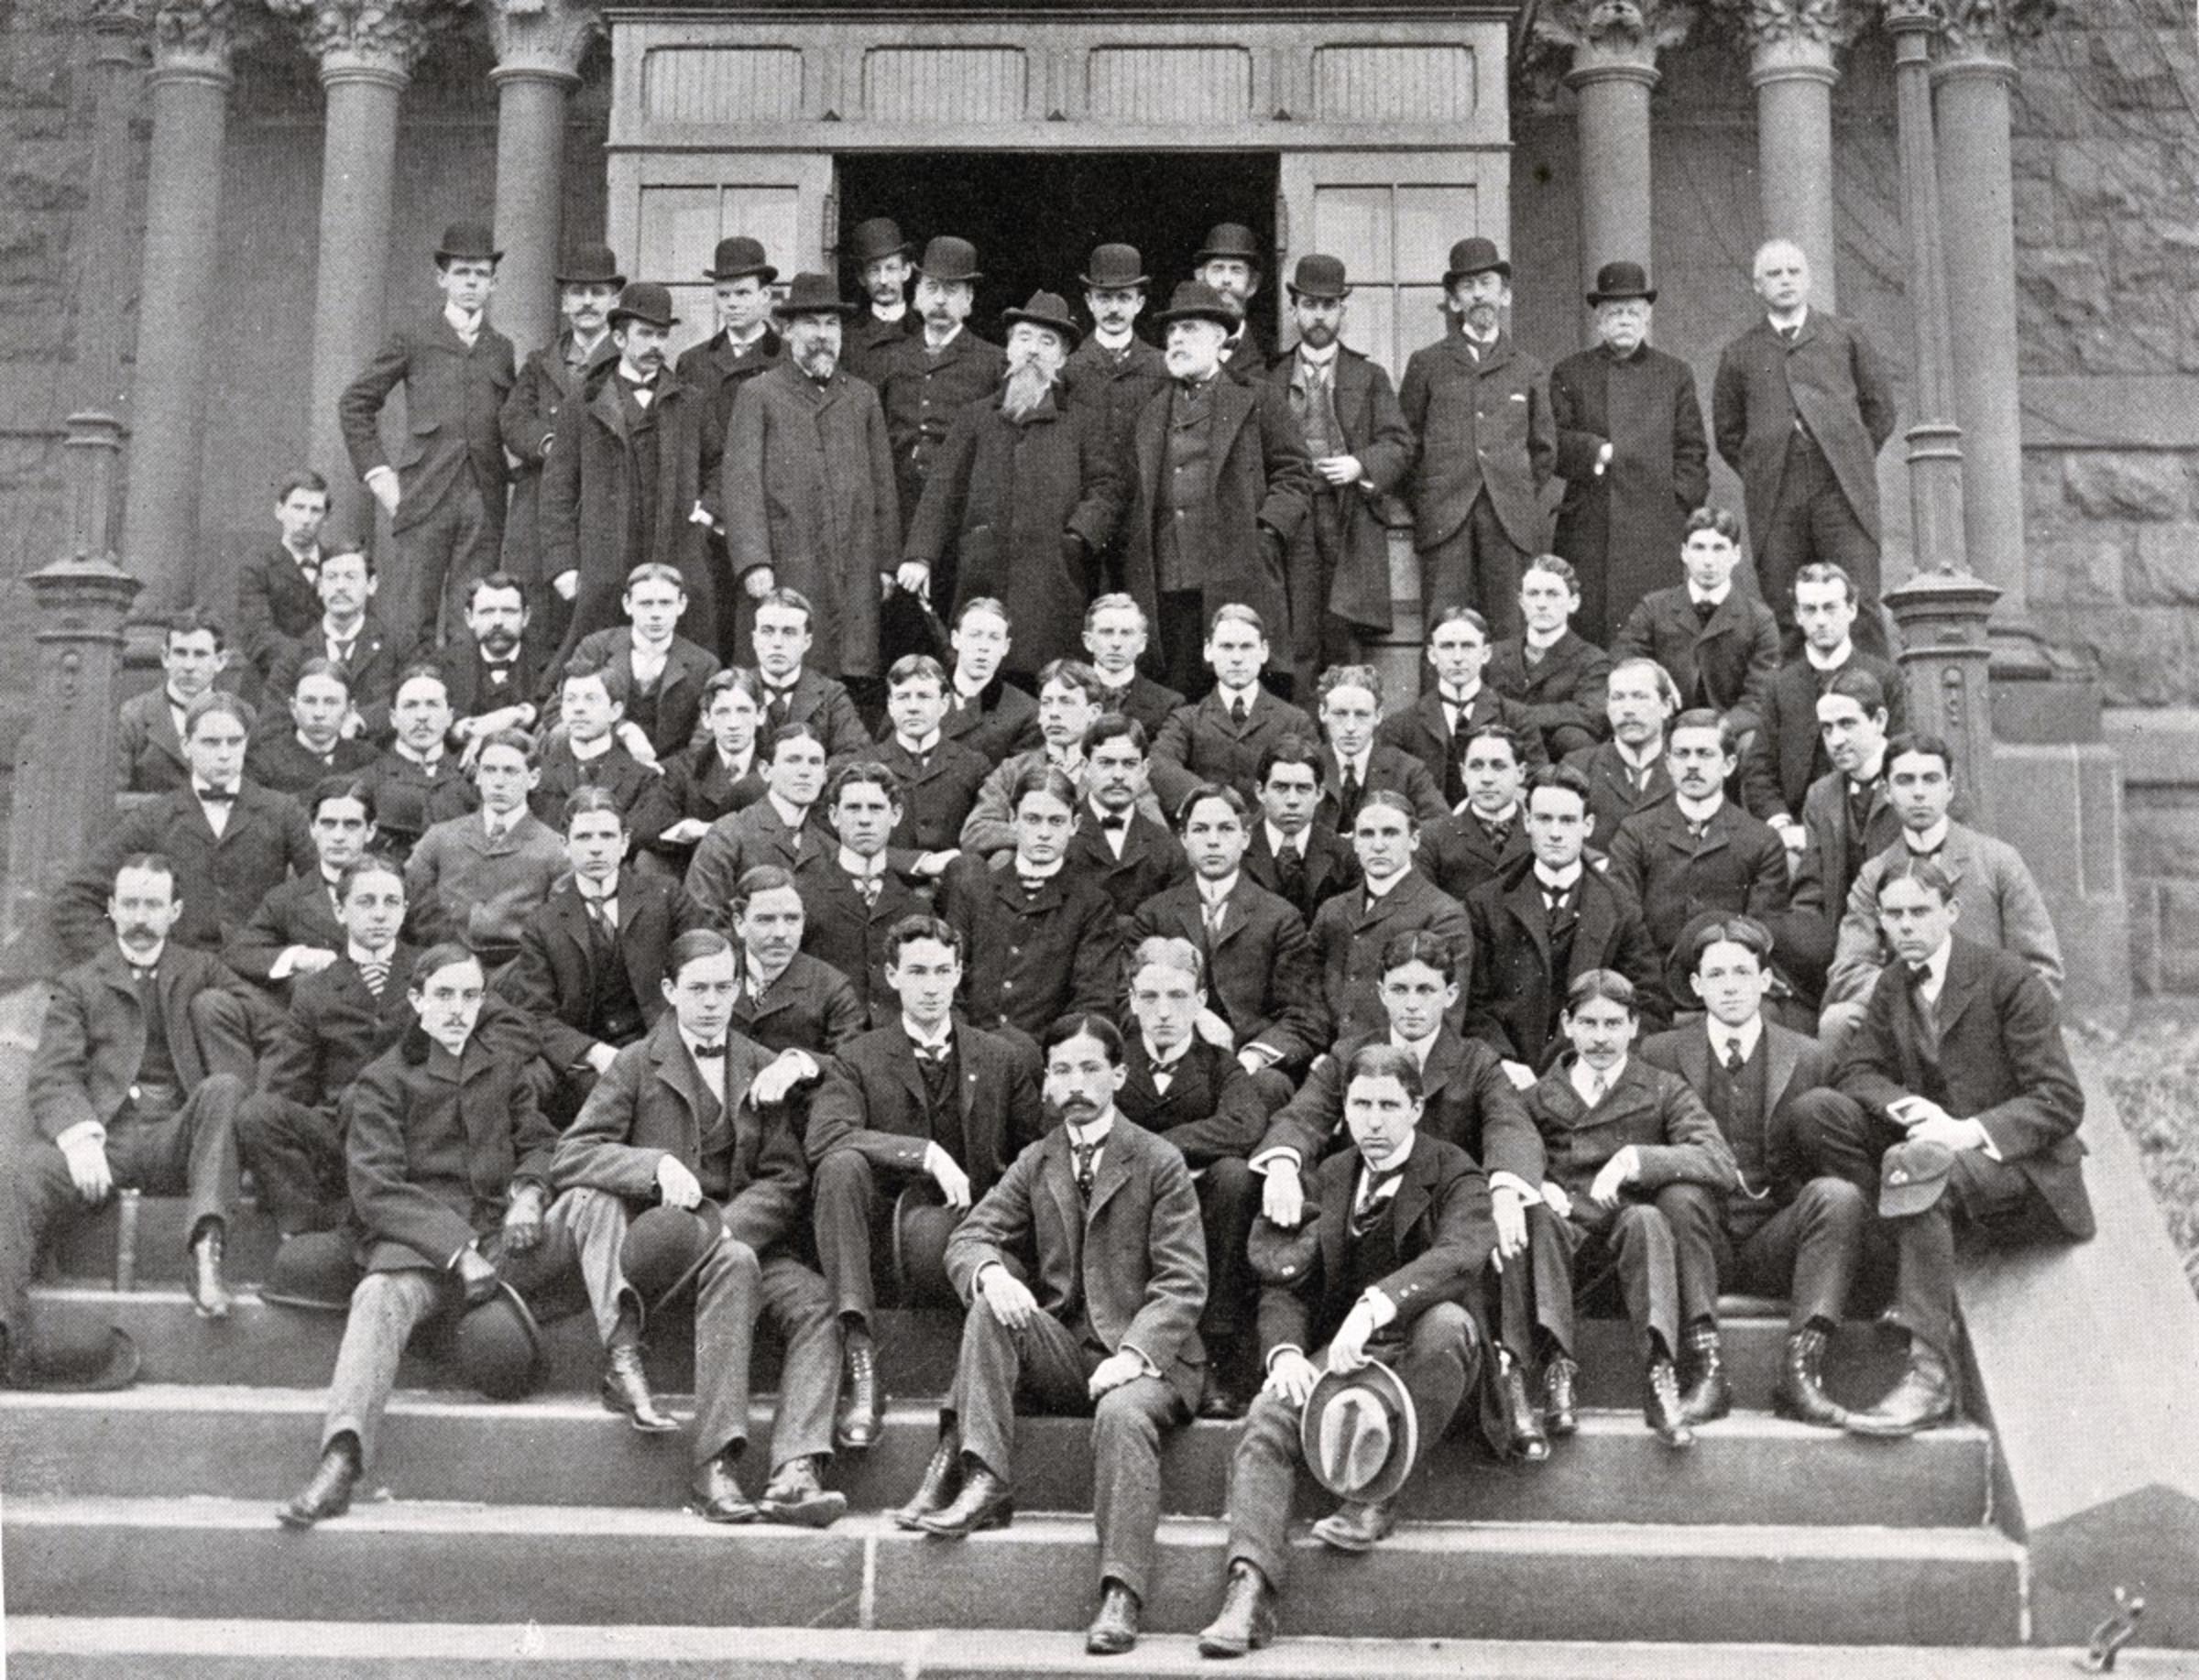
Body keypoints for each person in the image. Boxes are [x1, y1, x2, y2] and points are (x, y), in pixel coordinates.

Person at [901, 1013, 1207, 1660]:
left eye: (1090, 1068)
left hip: (1149, 1361)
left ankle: (1121, 1592)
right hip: (1069, 1352)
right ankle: (984, 1475)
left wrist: (1132, 1355)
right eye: (1062, 1070)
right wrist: (990, 1272)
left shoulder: (1159, 1161)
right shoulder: (1037, 1160)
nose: (1076, 1083)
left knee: (1123, 1417)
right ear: (1047, 1084)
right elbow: (968, 1236)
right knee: (992, 1304)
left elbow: (1183, 1283)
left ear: (1119, 1076)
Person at [1196, 1043, 1493, 1660]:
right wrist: (1283, 1354)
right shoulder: (1330, 1174)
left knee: (1449, 1325)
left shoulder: (1454, 1170)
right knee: (1268, 1415)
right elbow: (1287, 1283)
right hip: (1347, 1357)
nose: (1374, 1121)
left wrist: (1379, 1303)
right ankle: (1248, 1588)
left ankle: (1373, 1492)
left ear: (1416, 1108)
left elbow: (1462, 1252)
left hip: (1422, 1356)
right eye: (1361, 1105)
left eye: (1389, 1106)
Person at [276, 944, 585, 1528]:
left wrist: (528, 1191)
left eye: (471, 996)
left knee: (590, 1216)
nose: (457, 1009)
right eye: (443, 995)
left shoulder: (502, 1068)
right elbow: (376, 1189)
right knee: (377, 1296)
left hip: (500, 1232)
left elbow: (539, 1141)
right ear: (416, 1000)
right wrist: (458, 1251)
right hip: (418, 1245)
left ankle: (498, 1331)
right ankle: (341, 1457)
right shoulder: (382, 1081)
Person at [548, 930, 849, 1520]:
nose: (712, 1002)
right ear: (669, 991)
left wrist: (732, 1226)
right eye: (698, 989)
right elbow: (572, 1155)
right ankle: (714, 1467)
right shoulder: (638, 1064)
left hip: (743, 1236)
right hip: (666, 1253)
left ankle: (795, 1468)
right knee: (733, 1263)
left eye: (723, 987)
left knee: (818, 1301)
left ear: (739, 989)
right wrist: (651, 1164)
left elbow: (786, 1178)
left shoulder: (761, 1064)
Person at [1819, 862, 2093, 1434]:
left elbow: (2061, 1100)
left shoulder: (2009, 978)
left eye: (1920, 911)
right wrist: (1914, 1111)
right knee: (1818, 1113)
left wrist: (1965, 1132)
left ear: (1952, 912)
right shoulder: (1895, 981)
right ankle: (1899, 1255)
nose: (1907, 926)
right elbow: (1858, 1070)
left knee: (1914, 1162)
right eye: (1893, 915)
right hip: (1936, 1153)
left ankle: (1930, 1375)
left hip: (2020, 1166)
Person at [1247, 934, 1545, 1456]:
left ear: (1450, 995)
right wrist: (1283, 1163)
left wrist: (1502, 1184)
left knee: (1515, 1217)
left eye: (1426, 990)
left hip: (1450, 1219)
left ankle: (1511, 1370)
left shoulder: (1474, 1059)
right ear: (1381, 992)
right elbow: (1305, 1114)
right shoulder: (1349, 1054)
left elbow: (1509, 1123)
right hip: (1371, 1223)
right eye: (1401, 989)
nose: (1412, 1003)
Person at [5, 856, 257, 1372]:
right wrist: (77, 1136)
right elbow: (53, 1075)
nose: (142, 917)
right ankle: (4, 1328)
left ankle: (207, 1252)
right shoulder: (79, 984)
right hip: (106, 1141)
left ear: (175, 912)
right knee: (17, 1176)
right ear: (112, 910)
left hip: (178, 1137)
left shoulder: (203, 971)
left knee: (225, 1088)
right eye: (131, 904)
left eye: (154, 905)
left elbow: (271, 1028)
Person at [802, 916, 1043, 1452]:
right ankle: (861, 1356)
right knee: (841, 1166)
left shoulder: (1002, 1057)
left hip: (976, 1234)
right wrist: (924, 1154)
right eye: (916, 972)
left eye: (941, 971)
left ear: (959, 975)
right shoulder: (860, 1056)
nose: (930, 986)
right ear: (892, 977)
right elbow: (825, 1138)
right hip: (887, 1244)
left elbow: (1037, 1155)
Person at [1639, 915, 1871, 1428]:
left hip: (1776, 1235)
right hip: (1700, 1238)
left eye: (1742, 973)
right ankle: (1705, 1370)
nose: (1730, 987)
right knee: (1676, 1196)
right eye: (1716, 975)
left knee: (1837, 1196)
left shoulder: (1809, 1054)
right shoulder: (1659, 1054)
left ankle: (1801, 1371)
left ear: (1765, 981)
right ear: (1696, 986)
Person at [1522, 969, 1737, 1450]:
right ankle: (1559, 1370)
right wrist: (1533, 1183)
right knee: (1539, 1216)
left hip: (1631, 1255)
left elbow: (1718, 1161)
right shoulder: (1537, 1097)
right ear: (1567, 1024)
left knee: (1649, 1217)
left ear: (1635, 1026)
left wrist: (1637, 1159)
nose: (1601, 1038)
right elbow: (1503, 1152)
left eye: (1614, 1024)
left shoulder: (1662, 1089)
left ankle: (1660, 1374)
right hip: (1561, 1254)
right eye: (1590, 1024)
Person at [903, 290, 1124, 680]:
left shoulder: (1081, 422)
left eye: (1047, 341)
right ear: (1007, 348)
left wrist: (1075, 538)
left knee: (1050, 677)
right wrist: (920, 556)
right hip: (981, 575)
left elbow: (1108, 486)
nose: (1033, 351)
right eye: (1023, 338)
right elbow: (942, 489)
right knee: (981, 676)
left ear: (1063, 358)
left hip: (1054, 580)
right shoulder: (976, 417)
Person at [1119, 284, 1314, 697]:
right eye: (1171, 333)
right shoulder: (1151, 412)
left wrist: (1266, 532)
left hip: (1240, 573)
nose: (1177, 340)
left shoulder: (1258, 397)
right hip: (1169, 586)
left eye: (1188, 330)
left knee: (1244, 686)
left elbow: (1295, 473)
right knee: (1177, 695)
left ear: (1218, 337)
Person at [1118, 937, 1278, 1416]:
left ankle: (1214, 1352)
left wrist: (1158, 1148)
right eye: (1150, 997)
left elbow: (1244, 1124)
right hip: (1126, 1199)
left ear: (1201, 1001)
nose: (1164, 1011)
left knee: (1232, 1178)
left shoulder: (1218, 1065)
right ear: (1131, 1000)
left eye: (1178, 997)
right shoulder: (1114, 1062)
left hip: (1199, 1210)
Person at [1712, 237, 1898, 651]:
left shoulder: (1845, 336)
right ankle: (1800, 713)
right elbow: (1729, 434)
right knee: (1789, 609)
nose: (1785, 281)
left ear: (1808, 279)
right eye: (1774, 274)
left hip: (1841, 490)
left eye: (1793, 272)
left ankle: (1869, 705)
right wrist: (1768, 466)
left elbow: (1880, 410)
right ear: (1757, 287)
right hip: (1778, 495)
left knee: (1858, 603)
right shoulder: (1739, 354)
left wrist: (1848, 457)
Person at [337, 222, 515, 649]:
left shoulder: (501, 347)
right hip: (424, 494)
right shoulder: (414, 338)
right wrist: (381, 478)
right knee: (411, 616)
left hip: (484, 499)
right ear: (442, 279)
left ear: (493, 283)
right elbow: (355, 403)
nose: (471, 282)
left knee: (471, 617)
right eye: (461, 272)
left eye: (481, 274)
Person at [236, 853, 432, 1237]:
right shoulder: (315, 991)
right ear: (340, 911)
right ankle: (311, 1227)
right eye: (366, 902)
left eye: (391, 902)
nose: (379, 914)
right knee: (258, 1113)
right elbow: (286, 1081)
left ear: (405, 910)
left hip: (416, 1125)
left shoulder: (431, 972)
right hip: (342, 1130)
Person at [721, 273, 902, 685]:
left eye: (832, 324)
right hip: (788, 562)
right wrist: (754, 562)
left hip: (854, 565)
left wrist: (887, 563)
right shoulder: (759, 394)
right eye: (812, 324)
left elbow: (883, 487)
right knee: (786, 668)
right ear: (787, 331)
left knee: (848, 674)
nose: (824, 336)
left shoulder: (862, 396)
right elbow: (741, 486)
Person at [56, 693, 315, 965]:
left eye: (234, 742)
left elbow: (329, 892)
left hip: (262, 978)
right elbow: (75, 899)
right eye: (211, 743)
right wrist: (127, 961)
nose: (224, 754)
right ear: (186, 745)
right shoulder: (154, 819)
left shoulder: (282, 811)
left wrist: (296, 954)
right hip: (180, 984)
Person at [1824, 733, 2062, 1022]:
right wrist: (1913, 999)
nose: (1919, 792)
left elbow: (2041, 967)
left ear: (1949, 789)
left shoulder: (1998, 861)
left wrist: (1996, 1011)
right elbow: (1848, 970)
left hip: (1983, 1020)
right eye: (1905, 781)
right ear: (1887, 792)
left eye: (1931, 779)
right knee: (1838, 1021)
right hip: (1905, 1023)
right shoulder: (1874, 873)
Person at [501, 787, 710, 1115]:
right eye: (584, 837)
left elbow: (702, 971)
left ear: (625, 842)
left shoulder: (666, 897)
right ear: (564, 845)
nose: (596, 848)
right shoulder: (543, 923)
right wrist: (594, 1053)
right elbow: (535, 1014)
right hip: (588, 1062)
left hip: (665, 1044)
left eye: (606, 836)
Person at [1262, 254, 1415, 693]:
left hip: (1346, 518)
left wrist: (1359, 464)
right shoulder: (1271, 379)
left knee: (1343, 634)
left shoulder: (1369, 376)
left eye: (1329, 306)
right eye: (1309, 305)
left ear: (1343, 311)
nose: (1319, 316)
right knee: (1295, 634)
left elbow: (1400, 444)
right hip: (1292, 519)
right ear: (1294, 309)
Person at [542, 283, 720, 659]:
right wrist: (562, 566)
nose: (655, 345)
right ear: (620, 338)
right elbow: (557, 488)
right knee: (594, 660)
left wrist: (706, 513)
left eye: (661, 335)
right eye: (645, 334)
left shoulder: (691, 402)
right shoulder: (585, 403)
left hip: (675, 554)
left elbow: (720, 466)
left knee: (686, 661)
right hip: (605, 562)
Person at [1462, 764, 1665, 1081]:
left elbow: (1650, 1004)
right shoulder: (1486, 903)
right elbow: (1471, 1005)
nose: (1555, 833)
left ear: (1588, 826)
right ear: (1527, 822)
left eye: (1568, 820)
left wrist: (1603, 1064)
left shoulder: (1620, 905)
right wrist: (1501, 1063)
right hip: (1505, 1076)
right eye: (1544, 819)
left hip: (1593, 1075)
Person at [1399, 237, 1554, 642]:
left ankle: (1504, 708)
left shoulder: (1529, 368)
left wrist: (1511, 490)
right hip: (1445, 518)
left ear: (1505, 295)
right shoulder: (1427, 364)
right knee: (1443, 627)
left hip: (1509, 519)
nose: (1479, 294)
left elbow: (1543, 451)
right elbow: (1405, 444)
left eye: (1487, 283)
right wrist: (1429, 498)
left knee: (1509, 628)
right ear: (1453, 302)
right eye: (1467, 287)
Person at [1548, 262, 1711, 644]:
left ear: (1647, 317)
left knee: (1653, 633)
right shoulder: (1571, 373)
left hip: (1654, 531)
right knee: (1589, 634)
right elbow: (1550, 440)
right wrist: (1597, 451)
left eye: (1632, 312)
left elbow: (1693, 450)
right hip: (1590, 526)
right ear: (1600, 320)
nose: (1624, 320)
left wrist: (1677, 506)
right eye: (1615, 312)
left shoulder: (1674, 374)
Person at [1131, 781, 1329, 1084]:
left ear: (1246, 837)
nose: (1213, 841)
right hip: (1169, 1055)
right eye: (1200, 830)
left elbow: (1304, 1017)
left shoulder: (1280, 917)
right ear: (1183, 838)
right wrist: (1194, 1015)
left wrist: (1251, 1058)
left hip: (1249, 1065)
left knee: (1270, 1087)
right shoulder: (1154, 914)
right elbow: (1127, 999)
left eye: (1225, 829)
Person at [939, 765, 1122, 1042]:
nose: (1044, 833)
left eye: (1056, 821)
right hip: (970, 1052)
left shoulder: (1092, 905)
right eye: (1033, 820)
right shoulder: (975, 892)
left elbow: (1091, 1000)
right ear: (1013, 819)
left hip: (1043, 1059)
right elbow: (948, 983)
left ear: (1075, 825)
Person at [498, 244, 623, 649]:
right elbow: (513, 420)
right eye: (578, 293)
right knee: (536, 603)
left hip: (603, 501)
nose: (588, 303)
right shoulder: (540, 363)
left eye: (598, 293)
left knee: (595, 609)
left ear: (615, 300)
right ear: (564, 301)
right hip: (541, 501)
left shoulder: (628, 361)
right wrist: (551, 444)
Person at [1606, 709, 1793, 960]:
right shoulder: (1635, 833)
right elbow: (1625, 922)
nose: (1692, 764)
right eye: (1682, 754)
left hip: (1727, 981)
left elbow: (1759, 933)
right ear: (1669, 764)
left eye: (1704, 754)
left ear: (1729, 765)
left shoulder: (1762, 841)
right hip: (1651, 983)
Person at [1741, 563, 1904, 848]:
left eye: (1830, 608)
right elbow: (1759, 769)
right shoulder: (1781, 685)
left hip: (1867, 828)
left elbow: (1899, 754)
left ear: (1852, 610)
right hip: (1797, 831)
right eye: (1810, 610)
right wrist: (1782, 824)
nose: (1820, 620)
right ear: (1797, 616)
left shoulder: (1885, 677)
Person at [960, 659, 1164, 862]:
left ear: (1094, 712)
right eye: (1047, 703)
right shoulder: (1013, 769)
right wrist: (1045, 838)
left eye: (1066, 702)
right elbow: (975, 831)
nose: (1054, 713)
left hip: (1097, 879)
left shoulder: (1117, 771)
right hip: (1030, 880)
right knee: (1002, 859)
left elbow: (1157, 834)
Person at [876, 235, 1009, 541]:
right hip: (900, 514)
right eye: (932, 288)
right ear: (917, 294)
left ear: (969, 298)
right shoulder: (893, 358)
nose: (939, 301)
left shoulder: (993, 362)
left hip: (962, 516)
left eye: (951, 291)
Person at [1309, 791, 1471, 1042]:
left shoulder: (1443, 914)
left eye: (1390, 833)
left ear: (1414, 840)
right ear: (1354, 843)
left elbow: (1445, 1019)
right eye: (1367, 834)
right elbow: (1306, 999)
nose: (1378, 845)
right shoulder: (1333, 911)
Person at [1611, 507, 1781, 743]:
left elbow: (1758, 699)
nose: (1708, 560)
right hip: (1663, 728)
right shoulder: (1654, 607)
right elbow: (1623, 658)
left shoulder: (1760, 619)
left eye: (1719, 548)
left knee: (1751, 743)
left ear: (1736, 554)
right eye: (1699, 548)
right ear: (1684, 553)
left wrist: (1716, 731)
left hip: (1726, 734)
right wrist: (1652, 673)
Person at [403, 729, 566, 969]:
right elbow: (414, 901)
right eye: (490, 770)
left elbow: (555, 930)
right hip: (443, 965)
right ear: (478, 775)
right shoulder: (439, 838)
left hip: (519, 974)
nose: (499, 782)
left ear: (533, 778)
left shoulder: (555, 850)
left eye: (510, 771)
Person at [1148, 605, 1318, 812]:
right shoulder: (1186, 720)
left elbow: (1313, 776)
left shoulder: (1295, 721)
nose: (1237, 658)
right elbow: (1159, 763)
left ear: (1264, 651)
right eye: (1226, 647)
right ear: (1208, 650)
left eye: (1246, 647)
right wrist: (1211, 804)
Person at [793, 761, 925, 1024]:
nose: (865, 819)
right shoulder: (803, 894)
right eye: (853, 808)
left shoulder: (915, 906)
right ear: (833, 815)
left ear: (896, 814)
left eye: (876, 808)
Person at [1375, 606, 1545, 811]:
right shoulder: (1400, 726)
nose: (1457, 657)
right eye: (1447, 646)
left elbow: (1537, 784)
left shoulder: (1516, 718)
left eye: (1467, 646)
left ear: (1486, 653)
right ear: (1432, 654)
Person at [554, 563, 722, 767]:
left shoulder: (704, 664)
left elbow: (704, 736)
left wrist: (664, 774)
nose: (656, 614)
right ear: (627, 604)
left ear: (682, 605)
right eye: (646, 604)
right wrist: (623, 729)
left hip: (669, 777)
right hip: (602, 767)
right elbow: (555, 710)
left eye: (665, 603)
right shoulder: (595, 648)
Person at [225, 775, 383, 989]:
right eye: (328, 824)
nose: (338, 836)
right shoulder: (286, 899)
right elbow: (241, 953)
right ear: (312, 828)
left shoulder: (403, 888)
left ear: (371, 830)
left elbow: (435, 942)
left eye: (351, 825)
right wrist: (298, 957)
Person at [1790, 668, 1904, 941]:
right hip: (1844, 939)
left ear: (1879, 720)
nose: (1835, 740)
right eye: (1827, 728)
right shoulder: (1821, 795)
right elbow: (1811, 888)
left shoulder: (1915, 779)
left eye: (1847, 724)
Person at [685, 721, 830, 921]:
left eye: (814, 762)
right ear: (765, 770)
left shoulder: (830, 847)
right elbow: (703, 917)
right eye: (793, 760)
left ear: (824, 775)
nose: (805, 772)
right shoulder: (729, 834)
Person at [1060, 715, 1190, 927]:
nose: (1118, 775)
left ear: (1145, 769)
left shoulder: (1168, 848)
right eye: (1106, 763)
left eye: (1129, 764)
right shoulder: (1059, 837)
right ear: (1085, 767)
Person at [264, 545, 402, 744]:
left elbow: (410, 702)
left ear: (371, 584)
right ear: (320, 586)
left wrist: (363, 720)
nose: (340, 586)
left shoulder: (397, 646)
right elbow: (272, 722)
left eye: (350, 577)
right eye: (331, 577)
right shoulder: (295, 653)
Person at [723, 864, 865, 1056]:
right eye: (765, 920)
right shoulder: (713, 977)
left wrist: (803, 1063)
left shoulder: (833, 989)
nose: (780, 933)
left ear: (803, 922)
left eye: (791, 919)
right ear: (740, 924)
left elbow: (850, 1068)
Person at [1488, 555, 1613, 764]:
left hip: (1561, 767)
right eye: (1533, 594)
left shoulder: (1593, 660)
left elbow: (1591, 715)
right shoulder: (1494, 655)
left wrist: (1517, 716)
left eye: (1552, 594)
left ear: (1573, 602)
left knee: (1572, 736)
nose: (1542, 604)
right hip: (1498, 761)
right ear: (1521, 601)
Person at [648, 669, 771, 867]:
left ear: (761, 715)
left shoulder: (777, 767)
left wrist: (709, 829)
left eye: (743, 711)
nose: (733, 724)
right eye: (722, 712)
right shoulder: (679, 770)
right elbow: (653, 829)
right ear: (706, 718)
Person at [739, 586, 873, 764]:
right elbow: (702, 755)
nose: (777, 643)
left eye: (789, 632)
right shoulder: (732, 689)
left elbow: (859, 753)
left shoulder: (831, 695)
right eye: (768, 631)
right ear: (755, 639)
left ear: (807, 642)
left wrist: (811, 773)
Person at [872, 654, 989, 858]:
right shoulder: (865, 765)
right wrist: (914, 863)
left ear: (944, 704)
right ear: (890, 705)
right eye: (902, 697)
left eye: (924, 697)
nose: (913, 707)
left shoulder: (974, 766)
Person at [357, 668, 478, 862]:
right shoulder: (367, 782)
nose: (422, 716)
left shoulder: (470, 780)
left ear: (449, 717)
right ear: (393, 718)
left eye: (432, 705)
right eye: (410, 705)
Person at [1563, 655, 1682, 852]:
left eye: (1640, 697)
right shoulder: (1578, 766)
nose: (1628, 709)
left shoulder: (1687, 767)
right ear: (1607, 707)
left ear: (1666, 706)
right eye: (1618, 698)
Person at [1313, 664, 1446, 834]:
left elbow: (1441, 826)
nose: (1350, 727)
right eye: (1340, 714)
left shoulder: (1407, 770)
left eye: (1362, 715)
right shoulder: (1307, 766)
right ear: (1322, 713)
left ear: (1378, 716)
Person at [527, 664, 662, 831]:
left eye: (591, 699)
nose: (578, 708)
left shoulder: (643, 779)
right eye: (570, 699)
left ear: (615, 711)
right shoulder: (537, 774)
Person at [1242, 736, 1360, 925]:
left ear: (1319, 793)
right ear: (1260, 791)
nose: (1292, 800)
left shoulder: (1345, 855)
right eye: (1281, 788)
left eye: (1303, 788)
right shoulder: (1237, 851)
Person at [1417, 723, 1534, 905]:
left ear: (1520, 773)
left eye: (1498, 766)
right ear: (1463, 773)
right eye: (1476, 766)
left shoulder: (1540, 833)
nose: (1487, 778)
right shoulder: (1432, 838)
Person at [118, 610, 231, 799]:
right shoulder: (132, 718)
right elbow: (111, 800)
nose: (189, 666)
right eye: (180, 653)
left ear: (220, 661)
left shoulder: (240, 718)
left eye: (200, 655)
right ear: (165, 657)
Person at [235, 473, 331, 692]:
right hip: (270, 686)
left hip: (329, 688)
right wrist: (316, 662)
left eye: (315, 510)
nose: (306, 519)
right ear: (280, 511)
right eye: (298, 507)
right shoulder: (257, 566)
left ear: (326, 518)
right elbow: (258, 635)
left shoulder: (337, 565)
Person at [1064, 243, 1167, 441]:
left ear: (1139, 304)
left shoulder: (1162, 366)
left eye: (1123, 298)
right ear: (1089, 302)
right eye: (1104, 298)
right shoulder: (1069, 368)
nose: (1114, 309)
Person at [438, 573, 553, 743]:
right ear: (470, 618)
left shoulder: (551, 664)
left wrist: (521, 714)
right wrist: (465, 730)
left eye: (508, 611)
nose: (498, 621)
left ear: (526, 616)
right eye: (487, 612)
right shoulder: (444, 665)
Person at [246, 659, 377, 797]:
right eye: (309, 701)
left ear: (350, 710)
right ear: (293, 707)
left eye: (331, 702)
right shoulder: (261, 763)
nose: (319, 713)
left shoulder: (369, 760)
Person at [938, 596, 1042, 761]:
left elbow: (1021, 780)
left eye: (994, 638)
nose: (983, 647)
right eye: (975, 635)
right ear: (955, 640)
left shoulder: (1026, 713)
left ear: (1005, 647)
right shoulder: (918, 695)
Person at [1080, 595, 1184, 736]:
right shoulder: (1064, 696)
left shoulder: (1168, 704)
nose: (1116, 643)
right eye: (1107, 632)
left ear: (1142, 643)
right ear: (1088, 641)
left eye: (1126, 633)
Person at [839, 216, 922, 387]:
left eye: (891, 268)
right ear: (862, 278)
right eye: (874, 270)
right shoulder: (846, 339)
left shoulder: (925, 334)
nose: (883, 280)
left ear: (905, 271)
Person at [1194, 221, 1273, 373]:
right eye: (1218, 269)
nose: (1226, 280)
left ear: (1252, 285)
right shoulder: (1178, 349)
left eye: (1236, 270)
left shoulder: (1271, 357)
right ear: (1200, 279)